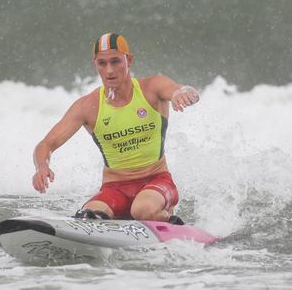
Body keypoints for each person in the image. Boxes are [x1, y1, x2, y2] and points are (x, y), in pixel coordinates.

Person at [32, 33, 200, 224]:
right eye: (102, 63)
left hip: (157, 182)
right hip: (115, 189)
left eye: (115, 61)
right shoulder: (88, 106)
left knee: (143, 210)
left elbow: (187, 91)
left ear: (129, 60)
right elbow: (46, 144)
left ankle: (170, 221)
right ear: (95, 64)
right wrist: (42, 166)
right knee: (87, 216)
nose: (109, 70)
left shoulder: (151, 88)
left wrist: (182, 94)